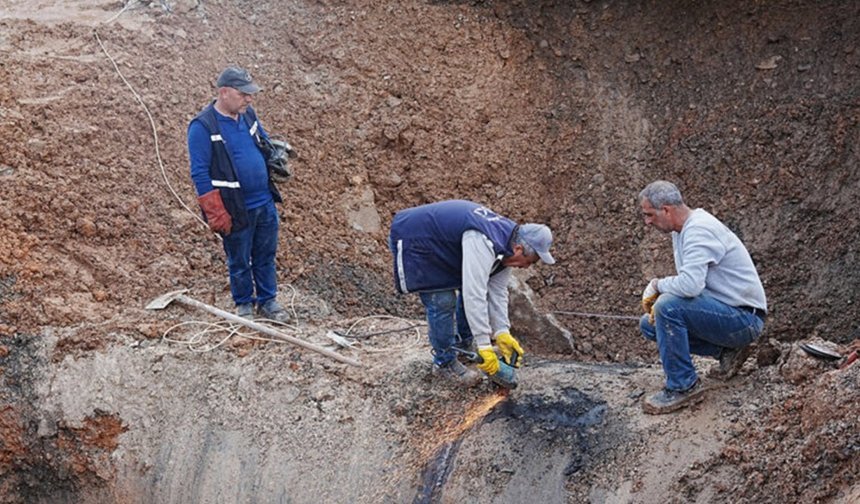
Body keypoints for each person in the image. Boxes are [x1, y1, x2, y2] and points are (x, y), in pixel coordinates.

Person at [389, 200, 556, 386]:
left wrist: (502, 331)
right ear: (519, 249)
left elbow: (498, 291)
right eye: (529, 261)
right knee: (443, 300)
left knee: (475, 290)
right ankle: (444, 364)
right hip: (417, 238)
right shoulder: (484, 240)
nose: (526, 267)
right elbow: (473, 293)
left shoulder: (508, 245)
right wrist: (485, 344)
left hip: (444, 244)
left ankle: (463, 345)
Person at [637, 180, 767, 414]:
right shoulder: (683, 230)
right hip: (730, 314)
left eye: (649, 214)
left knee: (667, 306)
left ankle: (683, 386)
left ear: (666, 209)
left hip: (745, 319)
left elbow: (690, 286)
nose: (647, 221)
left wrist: (657, 285)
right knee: (649, 324)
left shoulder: (698, 230)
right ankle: (727, 352)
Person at [187, 66, 290, 322]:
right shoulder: (203, 126)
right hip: (235, 206)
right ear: (224, 92)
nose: (249, 98)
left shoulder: (248, 115)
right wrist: (214, 209)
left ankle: (268, 301)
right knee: (240, 259)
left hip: (264, 201)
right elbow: (199, 172)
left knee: (265, 254)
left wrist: (275, 157)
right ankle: (244, 304)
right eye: (243, 94)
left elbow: (263, 141)